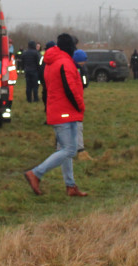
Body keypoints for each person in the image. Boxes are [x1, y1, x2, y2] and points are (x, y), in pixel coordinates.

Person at [24, 33, 88, 197]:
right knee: (70, 150)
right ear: (70, 47)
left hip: (57, 110)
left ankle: (70, 186)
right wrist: (80, 106)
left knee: (65, 150)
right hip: (65, 112)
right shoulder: (65, 63)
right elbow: (71, 89)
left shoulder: (52, 61)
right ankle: (36, 173)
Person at [72, 48, 92, 161]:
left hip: (76, 97)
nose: (85, 63)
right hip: (75, 99)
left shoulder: (77, 68)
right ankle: (79, 148)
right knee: (76, 123)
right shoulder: (78, 70)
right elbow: (84, 83)